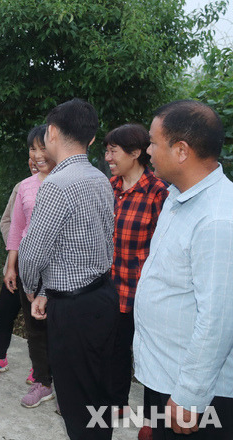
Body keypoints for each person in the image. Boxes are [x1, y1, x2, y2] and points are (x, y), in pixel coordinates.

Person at [18, 99, 117, 439]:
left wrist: (32, 289)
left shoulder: (56, 186)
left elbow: (32, 253)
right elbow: (91, 244)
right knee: (97, 393)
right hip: (103, 296)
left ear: (53, 132)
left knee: (76, 401)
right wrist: (46, 290)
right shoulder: (100, 178)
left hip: (74, 310)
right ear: (91, 140)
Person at [133, 100, 233, 439]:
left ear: (181, 150)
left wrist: (189, 396)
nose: (147, 150)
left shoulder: (218, 219)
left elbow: (217, 320)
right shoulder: (179, 198)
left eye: (152, 142)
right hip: (167, 375)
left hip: (199, 394)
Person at [0, 125, 56, 409]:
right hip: (25, 266)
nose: (37, 155)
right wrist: (11, 266)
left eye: (42, 148)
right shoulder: (25, 185)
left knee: (55, 326)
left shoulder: (66, 183)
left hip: (58, 270)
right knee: (33, 326)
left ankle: (59, 382)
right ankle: (42, 379)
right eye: (32, 149)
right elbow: (15, 228)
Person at [103, 124, 168, 430]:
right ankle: (116, 406)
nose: (107, 157)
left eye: (113, 151)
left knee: (147, 358)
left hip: (142, 294)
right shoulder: (110, 187)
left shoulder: (159, 194)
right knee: (114, 353)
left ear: (136, 153)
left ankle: (152, 422)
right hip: (110, 290)